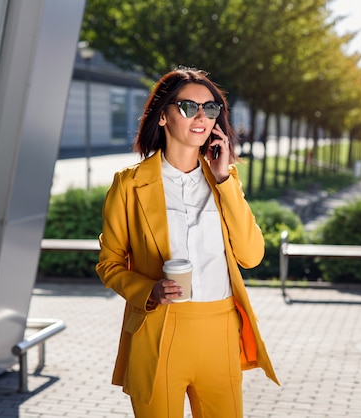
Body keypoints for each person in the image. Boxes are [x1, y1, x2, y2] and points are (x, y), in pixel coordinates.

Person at [96, 67, 279, 418]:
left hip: (220, 330)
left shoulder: (224, 180)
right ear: (163, 115)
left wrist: (225, 179)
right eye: (188, 107)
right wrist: (149, 290)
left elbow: (251, 255)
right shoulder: (129, 185)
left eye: (210, 109)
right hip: (159, 332)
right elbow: (110, 263)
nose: (201, 117)